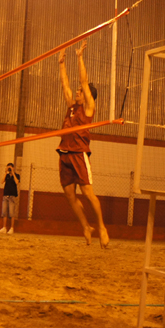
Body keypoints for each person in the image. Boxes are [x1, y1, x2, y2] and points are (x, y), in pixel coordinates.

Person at [57, 40, 109, 248]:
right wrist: (61, 63)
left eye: (81, 91)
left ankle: (102, 227)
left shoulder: (88, 109)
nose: (77, 92)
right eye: (78, 91)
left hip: (79, 153)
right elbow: (65, 84)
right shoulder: (71, 106)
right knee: (70, 195)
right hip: (64, 154)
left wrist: (79, 57)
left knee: (87, 193)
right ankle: (86, 226)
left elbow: (84, 82)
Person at [0, 163, 20, 234]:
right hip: (5, 195)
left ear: (13, 168)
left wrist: (13, 173)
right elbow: (2, 182)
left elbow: (17, 182)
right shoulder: (7, 176)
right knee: (4, 212)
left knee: (11, 213)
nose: (9, 169)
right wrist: (5, 172)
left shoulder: (17, 175)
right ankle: (4, 228)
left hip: (12, 196)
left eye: (10, 168)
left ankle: (11, 228)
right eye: (8, 168)